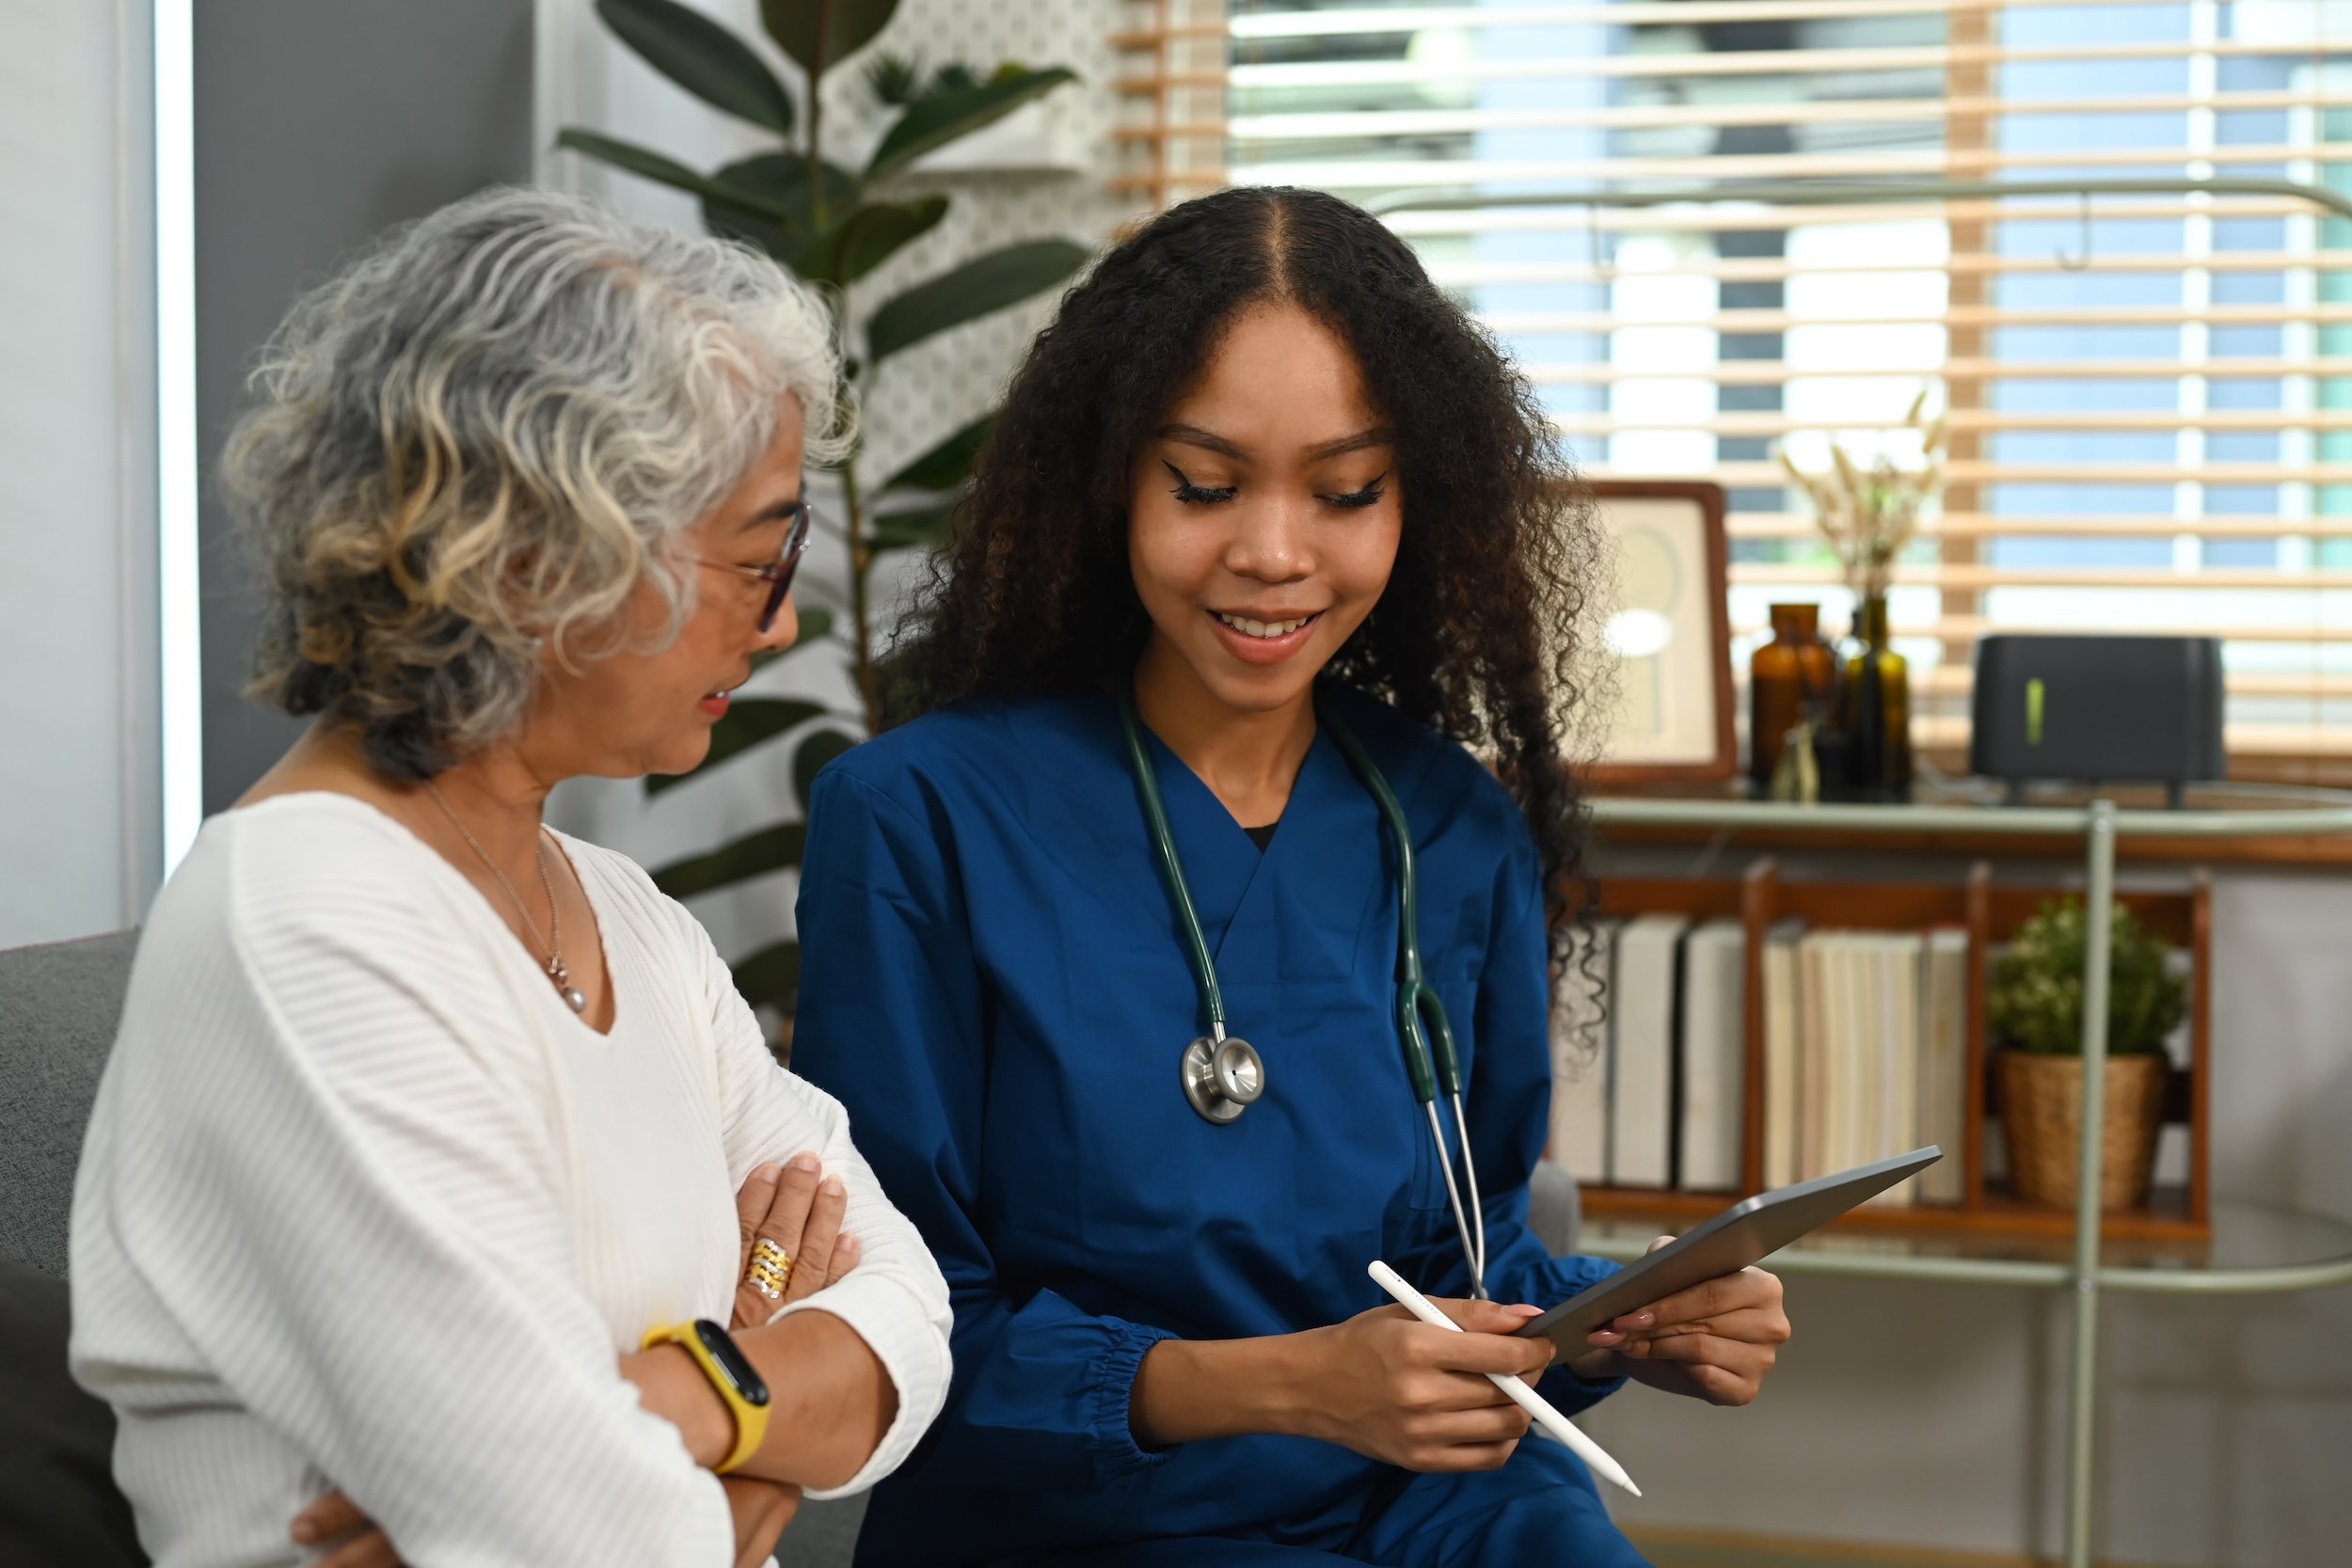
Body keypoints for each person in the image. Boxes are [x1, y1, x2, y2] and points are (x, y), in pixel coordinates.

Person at [788, 185, 1793, 1566]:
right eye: (1204, 485)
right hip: (1081, 1526)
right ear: (1111, 481)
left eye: (1345, 492)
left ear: (1414, 498)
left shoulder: (1453, 827)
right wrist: (1298, 1387)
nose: (1273, 552)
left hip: (1429, 1511)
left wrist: (1627, 1319)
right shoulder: (917, 822)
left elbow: (1465, 1266)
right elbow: (899, 1323)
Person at [68, 188, 950, 1568]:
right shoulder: (304, 925)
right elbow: (580, 1534)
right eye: (757, 554)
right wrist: (760, 1399)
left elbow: (912, 1319)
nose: (782, 624)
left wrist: (688, 1396)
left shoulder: (628, 920)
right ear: (547, 556)